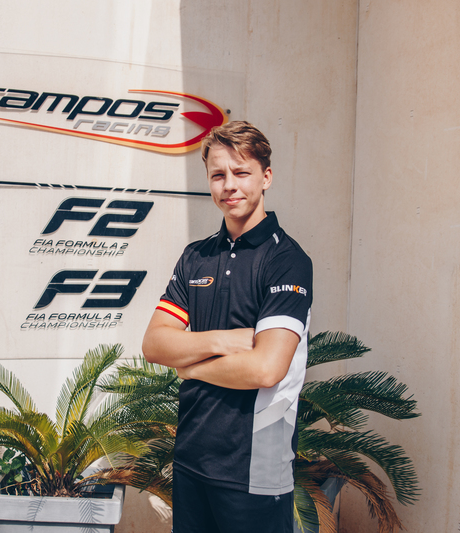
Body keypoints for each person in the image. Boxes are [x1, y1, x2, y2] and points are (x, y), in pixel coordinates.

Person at [142, 121, 313, 533]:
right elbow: (155, 344)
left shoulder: (287, 261)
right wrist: (226, 341)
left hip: (255, 469)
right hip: (191, 460)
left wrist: (190, 365)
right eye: (218, 175)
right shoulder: (195, 257)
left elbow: (265, 369)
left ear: (266, 177)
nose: (229, 185)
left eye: (241, 172)